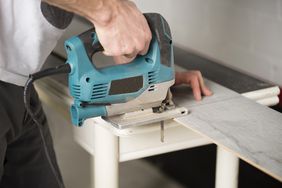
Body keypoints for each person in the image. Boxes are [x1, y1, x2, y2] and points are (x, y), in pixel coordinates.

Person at [0, 0, 212, 187]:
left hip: (19, 86)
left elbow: (122, 42)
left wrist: (157, 75)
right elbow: (109, 15)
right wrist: (109, 13)